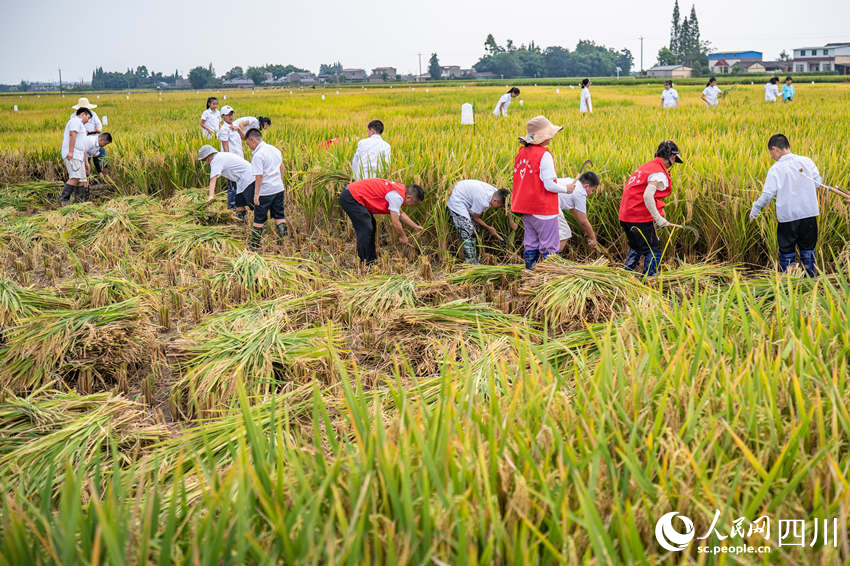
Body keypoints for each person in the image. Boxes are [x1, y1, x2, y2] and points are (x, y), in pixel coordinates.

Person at [749, 134, 821, 277]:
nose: (772, 156)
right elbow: (817, 182)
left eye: (771, 153)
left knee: (787, 250)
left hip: (789, 217)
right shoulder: (807, 161)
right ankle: (809, 283)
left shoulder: (776, 169)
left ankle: (788, 283)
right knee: (808, 249)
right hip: (809, 214)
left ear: (775, 149)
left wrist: (756, 208)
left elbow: (768, 195)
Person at [511, 115, 575, 269]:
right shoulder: (544, 155)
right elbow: (549, 185)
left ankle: (530, 273)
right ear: (542, 137)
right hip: (543, 209)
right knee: (549, 247)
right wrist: (566, 189)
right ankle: (548, 280)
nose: (552, 136)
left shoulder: (521, 153)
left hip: (525, 208)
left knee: (531, 243)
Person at [617, 141, 684, 276]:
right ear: (672, 158)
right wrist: (658, 219)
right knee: (653, 250)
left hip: (625, 216)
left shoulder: (646, 167)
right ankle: (650, 280)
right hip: (638, 217)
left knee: (636, 247)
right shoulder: (658, 173)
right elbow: (648, 196)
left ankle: (626, 275)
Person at [338, 178, 425, 265]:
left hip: (353, 195)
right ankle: (364, 263)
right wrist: (403, 236)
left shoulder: (398, 191)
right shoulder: (397, 197)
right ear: (408, 197)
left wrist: (415, 226)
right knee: (366, 228)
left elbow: (401, 213)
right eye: (414, 203)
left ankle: (371, 260)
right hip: (351, 197)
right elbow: (395, 222)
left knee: (372, 225)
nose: (412, 206)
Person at [446, 180, 517, 264]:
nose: (500, 208)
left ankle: (475, 257)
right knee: (467, 230)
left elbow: (506, 206)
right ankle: (470, 262)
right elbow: (476, 218)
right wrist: (490, 228)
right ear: (494, 201)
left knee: (476, 229)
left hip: (465, 193)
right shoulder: (482, 201)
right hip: (458, 200)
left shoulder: (496, 193)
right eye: (500, 206)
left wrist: (511, 221)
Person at [245, 129, 288, 249]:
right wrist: (280, 182)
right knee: (279, 215)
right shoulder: (274, 149)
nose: (249, 148)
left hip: (265, 191)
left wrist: (256, 194)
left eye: (248, 144)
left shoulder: (258, 155)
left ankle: (254, 244)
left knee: (259, 218)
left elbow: (259, 176)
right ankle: (284, 240)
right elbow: (282, 167)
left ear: (252, 140)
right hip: (278, 188)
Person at [198, 144, 254, 222]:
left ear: (209, 155)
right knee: (239, 202)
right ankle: (242, 222)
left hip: (249, 178)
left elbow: (213, 179)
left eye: (205, 159)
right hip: (240, 180)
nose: (206, 162)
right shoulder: (219, 157)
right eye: (203, 160)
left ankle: (261, 225)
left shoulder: (216, 159)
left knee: (252, 203)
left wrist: (211, 196)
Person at [556, 172, 600, 252]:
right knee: (565, 233)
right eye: (592, 190)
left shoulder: (572, 183)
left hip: (536, 200)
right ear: (586, 186)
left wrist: (586, 230)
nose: (591, 193)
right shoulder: (580, 192)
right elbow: (583, 220)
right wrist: (593, 238)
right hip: (549, 204)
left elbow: (576, 212)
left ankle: (541, 260)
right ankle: (551, 261)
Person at [59, 107, 92, 205]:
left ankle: (79, 202)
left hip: (79, 156)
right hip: (73, 154)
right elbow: (72, 134)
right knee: (75, 177)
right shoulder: (75, 121)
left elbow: (83, 145)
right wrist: (70, 152)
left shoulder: (81, 125)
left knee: (82, 179)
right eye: (88, 118)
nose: (88, 120)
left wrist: (86, 162)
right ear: (83, 114)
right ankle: (64, 200)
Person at [70, 97, 108, 177]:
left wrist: (89, 133)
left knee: (102, 158)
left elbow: (99, 129)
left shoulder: (93, 115)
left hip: (95, 142)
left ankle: (106, 178)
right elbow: (72, 132)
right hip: (81, 144)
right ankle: (86, 180)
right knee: (84, 163)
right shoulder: (73, 116)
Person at [217, 105, 243, 210]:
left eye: (232, 114)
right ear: (223, 116)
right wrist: (228, 162)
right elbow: (225, 147)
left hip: (239, 160)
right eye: (228, 115)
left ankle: (237, 207)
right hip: (231, 162)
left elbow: (245, 138)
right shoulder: (224, 129)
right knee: (233, 185)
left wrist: (239, 129)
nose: (231, 117)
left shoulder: (234, 127)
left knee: (238, 184)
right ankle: (232, 207)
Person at [76, 132, 113, 200]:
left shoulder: (98, 146)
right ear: (101, 140)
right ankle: (78, 195)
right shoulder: (90, 141)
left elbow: (96, 160)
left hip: (86, 156)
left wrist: (99, 172)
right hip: (77, 156)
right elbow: (83, 151)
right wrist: (86, 163)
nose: (104, 146)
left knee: (86, 176)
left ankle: (84, 194)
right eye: (105, 144)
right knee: (81, 176)